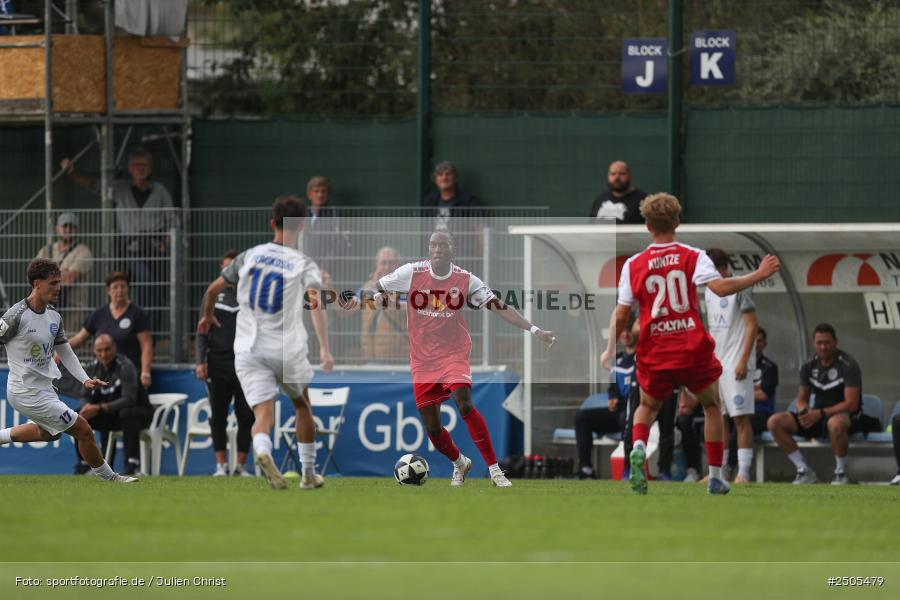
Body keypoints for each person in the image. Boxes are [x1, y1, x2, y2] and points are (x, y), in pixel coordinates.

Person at [600, 193, 780, 495]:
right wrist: (758, 274)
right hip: (690, 346)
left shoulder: (633, 264)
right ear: (677, 221)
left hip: (654, 349)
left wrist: (608, 348)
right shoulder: (693, 255)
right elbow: (721, 288)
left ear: (647, 225)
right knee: (711, 405)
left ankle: (640, 449)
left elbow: (620, 315)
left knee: (646, 405)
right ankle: (714, 477)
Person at [376, 230, 556, 487]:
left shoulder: (465, 280)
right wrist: (380, 296)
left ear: (453, 249)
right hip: (423, 360)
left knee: (464, 403)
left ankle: (495, 471)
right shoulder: (412, 273)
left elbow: (500, 306)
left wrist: (535, 329)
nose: (437, 249)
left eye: (443, 245)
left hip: (453, 353)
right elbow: (380, 286)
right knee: (433, 430)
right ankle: (460, 463)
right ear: (429, 249)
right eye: (433, 245)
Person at [198, 196, 337, 491]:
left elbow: (212, 289)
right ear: (301, 227)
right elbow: (316, 304)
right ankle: (309, 475)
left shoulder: (250, 255)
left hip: (248, 350)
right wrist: (324, 348)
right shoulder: (303, 262)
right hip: (286, 348)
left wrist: (208, 316)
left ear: (272, 223)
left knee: (263, 413)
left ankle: (262, 450)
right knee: (302, 406)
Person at [0, 259, 136, 483]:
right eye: (53, 283)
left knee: (48, 432)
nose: (59, 288)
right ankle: (111, 478)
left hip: (45, 389)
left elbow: (66, 352)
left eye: (59, 282)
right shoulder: (16, 315)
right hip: (25, 391)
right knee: (83, 429)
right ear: (37, 284)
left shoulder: (54, 316)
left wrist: (85, 380)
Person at [61, 148, 177, 321]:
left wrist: (165, 243)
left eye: (145, 165)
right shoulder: (120, 188)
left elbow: (173, 219)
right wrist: (72, 173)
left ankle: (151, 332)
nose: (141, 169)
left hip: (154, 249)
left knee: (157, 292)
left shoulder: (159, 191)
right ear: (130, 168)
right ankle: (134, 323)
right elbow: (94, 185)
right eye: (137, 165)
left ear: (150, 168)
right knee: (144, 282)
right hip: (129, 248)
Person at [767, 323, 876, 485]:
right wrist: (803, 411)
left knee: (835, 424)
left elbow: (851, 404)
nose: (823, 347)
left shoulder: (848, 365)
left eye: (827, 343)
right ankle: (804, 470)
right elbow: (802, 398)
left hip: (847, 416)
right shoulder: (808, 366)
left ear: (835, 342)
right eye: (819, 343)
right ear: (813, 344)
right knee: (775, 422)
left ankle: (841, 472)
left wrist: (821, 413)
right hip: (818, 416)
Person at [195, 250, 255, 476]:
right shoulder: (211, 297)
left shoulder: (249, 297)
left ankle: (240, 466)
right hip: (217, 363)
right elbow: (201, 333)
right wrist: (200, 361)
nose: (229, 272)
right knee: (218, 415)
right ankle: (221, 466)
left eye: (233, 268)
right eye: (226, 268)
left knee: (246, 416)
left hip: (245, 364)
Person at [704, 247, 759, 483]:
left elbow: (751, 325)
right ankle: (721, 470)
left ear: (723, 269)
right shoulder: (707, 291)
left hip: (737, 363)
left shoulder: (741, 287)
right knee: (719, 417)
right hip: (717, 364)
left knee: (740, 418)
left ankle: (744, 473)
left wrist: (744, 360)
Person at [73, 334, 153, 476]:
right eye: (100, 351)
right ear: (94, 351)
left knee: (127, 413)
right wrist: (86, 408)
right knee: (77, 417)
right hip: (112, 415)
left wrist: (99, 408)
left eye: (107, 349)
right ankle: (85, 465)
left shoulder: (126, 366)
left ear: (115, 348)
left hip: (139, 414)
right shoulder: (92, 368)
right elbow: (84, 395)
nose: (104, 354)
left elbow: (129, 399)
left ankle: (132, 466)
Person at [575, 314, 637, 479]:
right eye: (622, 331)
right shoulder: (617, 360)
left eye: (629, 330)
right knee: (582, 418)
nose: (625, 334)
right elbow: (613, 387)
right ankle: (586, 469)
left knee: (626, 417)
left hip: (637, 413)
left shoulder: (643, 358)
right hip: (619, 412)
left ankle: (628, 469)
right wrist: (613, 397)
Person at [68, 272, 153, 390]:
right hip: (103, 374)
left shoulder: (137, 313)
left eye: (123, 286)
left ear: (128, 289)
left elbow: (146, 345)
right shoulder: (99, 313)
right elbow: (80, 338)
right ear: (108, 290)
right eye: (115, 287)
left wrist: (145, 373)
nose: (120, 290)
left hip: (129, 373)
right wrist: (62, 350)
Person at [34, 212, 94, 326]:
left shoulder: (83, 251)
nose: (68, 229)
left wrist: (45, 276)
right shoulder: (47, 250)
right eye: (64, 226)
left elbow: (69, 279)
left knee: (70, 343)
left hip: (73, 311)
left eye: (72, 226)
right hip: (47, 310)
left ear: (77, 230)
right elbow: (33, 274)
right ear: (57, 229)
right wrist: (61, 273)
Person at [422, 161, 484, 268]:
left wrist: (480, 253)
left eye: (448, 174)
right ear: (436, 179)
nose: (444, 177)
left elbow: (480, 229)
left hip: (463, 255)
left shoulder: (468, 201)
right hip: (435, 255)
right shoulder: (430, 202)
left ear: (455, 178)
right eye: (440, 174)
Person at [359, 247, 408, 363]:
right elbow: (349, 308)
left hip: (402, 358)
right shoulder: (368, 287)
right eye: (383, 263)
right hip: (372, 357)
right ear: (377, 265)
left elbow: (404, 309)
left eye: (391, 263)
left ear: (399, 265)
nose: (387, 267)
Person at [303, 180, 350, 278]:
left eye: (323, 191)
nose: (320, 195)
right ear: (309, 195)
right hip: (304, 268)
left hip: (329, 271)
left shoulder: (336, 215)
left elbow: (342, 243)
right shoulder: (302, 215)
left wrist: (325, 266)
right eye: (316, 191)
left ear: (328, 195)